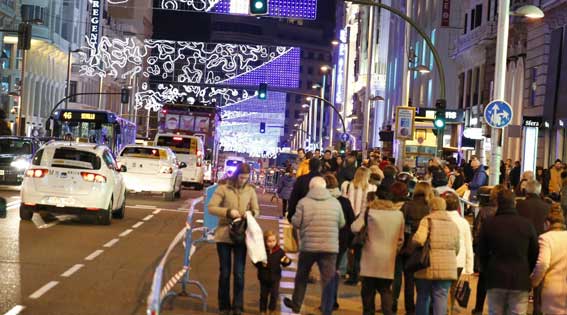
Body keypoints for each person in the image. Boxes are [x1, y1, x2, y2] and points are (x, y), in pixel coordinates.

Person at [284, 177, 345, 315]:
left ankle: (296, 305)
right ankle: (327, 309)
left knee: (302, 276)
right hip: (330, 247)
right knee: (328, 280)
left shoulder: (304, 203)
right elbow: (341, 223)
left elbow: (296, 222)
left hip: (308, 246)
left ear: (311, 188)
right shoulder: (335, 203)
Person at [208, 163, 260, 315]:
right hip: (224, 234)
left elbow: (257, 210)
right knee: (224, 273)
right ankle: (224, 306)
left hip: (241, 236)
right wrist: (229, 212)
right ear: (236, 175)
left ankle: (238, 306)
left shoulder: (250, 190)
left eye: (246, 178)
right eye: (241, 177)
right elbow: (211, 207)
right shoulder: (224, 188)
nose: (243, 180)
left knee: (239, 273)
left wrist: (249, 214)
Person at [478, 188, 539, 315]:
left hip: (495, 277)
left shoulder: (489, 224)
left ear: (498, 204)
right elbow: (534, 253)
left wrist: (487, 269)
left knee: (495, 311)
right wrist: (528, 269)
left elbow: (481, 252)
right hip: (520, 279)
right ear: (515, 203)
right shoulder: (526, 225)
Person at [352, 197, 405, 315]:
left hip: (369, 257)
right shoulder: (398, 215)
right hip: (388, 258)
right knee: (385, 290)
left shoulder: (369, 212)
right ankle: (388, 312)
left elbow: (355, 227)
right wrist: (394, 250)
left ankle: (368, 312)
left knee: (368, 290)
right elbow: (401, 239)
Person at [412, 197, 460, 315]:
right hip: (446, 268)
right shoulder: (453, 224)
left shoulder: (427, 220)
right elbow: (457, 248)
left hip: (427, 266)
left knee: (423, 296)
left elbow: (419, 240)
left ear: (431, 207)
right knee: (441, 297)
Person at [516, 180, 551, 315]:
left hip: (524, 245)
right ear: (539, 191)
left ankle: (521, 307)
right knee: (539, 278)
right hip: (542, 245)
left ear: (527, 191)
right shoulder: (546, 207)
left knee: (524, 276)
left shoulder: (520, 205)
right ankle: (537, 308)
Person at [400, 182, 433, 315]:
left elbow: (401, 225)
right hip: (425, 246)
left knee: (408, 279)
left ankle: (410, 309)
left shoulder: (407, 205)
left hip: (408, 245)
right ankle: (424, 307)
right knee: (424, 280)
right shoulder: (430, 207)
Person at [471, 185, 505, 315]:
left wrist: (477, 249)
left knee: (483, 281)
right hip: (501, 253)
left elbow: (477, 231)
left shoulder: (485, 211)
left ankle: (479, 308)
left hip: (487, 252)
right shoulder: (507, 212)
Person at [341, 167, 377, 285]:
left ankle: (348, 271)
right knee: (360, 250)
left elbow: (344, 203)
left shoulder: (347, 186)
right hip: (364, 222)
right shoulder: (372, 188)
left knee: (348, 248)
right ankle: (359, 274)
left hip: (349, 220)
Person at [324, 173, 355, 310]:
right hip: (341, 241)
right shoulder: (344, 201)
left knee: (326, 272)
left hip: (325, 239)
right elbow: (351, 222)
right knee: (334, 270)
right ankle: (333, 299)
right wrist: (350, 241)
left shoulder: (322, 200)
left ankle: (327, 301)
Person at [530, 204, 567, 315]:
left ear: (547, 223)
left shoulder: (546, 238)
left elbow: (543, 263)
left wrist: (533, 282)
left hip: (552, 290)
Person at [442, 192, 474, 315]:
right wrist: (469, 268)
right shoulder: (463, 222)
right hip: (459, 261)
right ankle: (451, 306)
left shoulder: (440, 219)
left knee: (443, 288)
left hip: (444, 260)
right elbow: (468, 245)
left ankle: (444, 308)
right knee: (454, 288)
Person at [255, 230, 292, 315]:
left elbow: (285, 262)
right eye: (269, 241)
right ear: (265, 241)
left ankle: (272, 310)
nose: (271, 243)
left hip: (275, 278)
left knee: (274, 295)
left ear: (276, 241)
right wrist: (260, 264)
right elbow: (255, 261)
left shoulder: (280, 251)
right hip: (263, 278)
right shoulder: (261, 251)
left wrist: (287, 261)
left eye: (273, 241)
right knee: (263, 296)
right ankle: (262, 311)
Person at [287, 157, 322, 222]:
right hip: (320, 216)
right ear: (320, 167)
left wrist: (291, 214)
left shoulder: (302, 179)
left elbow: (294, 198)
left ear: (309, 167)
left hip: (303, 213)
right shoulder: (324, 180)